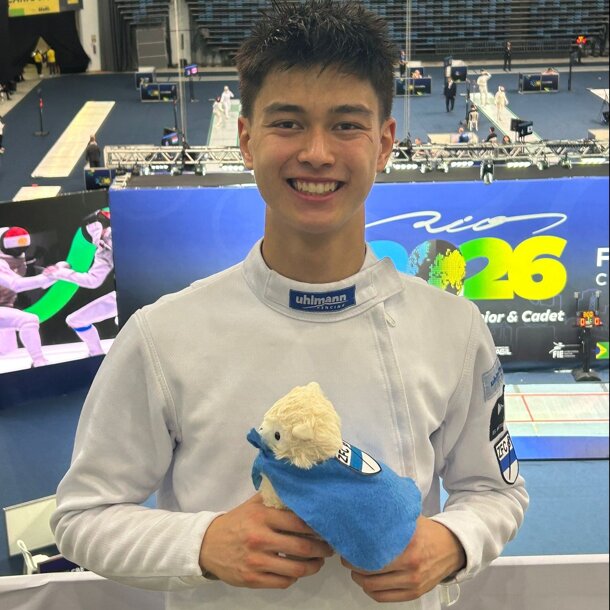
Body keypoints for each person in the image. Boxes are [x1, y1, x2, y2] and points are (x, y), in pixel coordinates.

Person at [51, 3, 528, 610]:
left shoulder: (453, 329)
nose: (318, 153)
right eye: (288, 123)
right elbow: (82, 516)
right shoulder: (163, 335)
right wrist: (203, 544)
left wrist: (452, 542)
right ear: (246, 140)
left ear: (384, 143)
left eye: (347, 125)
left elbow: (496, 491)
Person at [45, 210, 116, 357]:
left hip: (150, 291)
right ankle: (96, 355)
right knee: (76, 320)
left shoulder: (119, 234)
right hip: (127, 294)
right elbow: (93, 280)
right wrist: (60, 272)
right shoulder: (104, 248)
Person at [0, 226, 59, 367]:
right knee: (29, 320)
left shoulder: (14, 261)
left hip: (5, 308)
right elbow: (15, 284)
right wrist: (47, 278)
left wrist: (53, 273)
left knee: (7, 356)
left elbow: (23, 277)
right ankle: (39, 361)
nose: (17, 251)